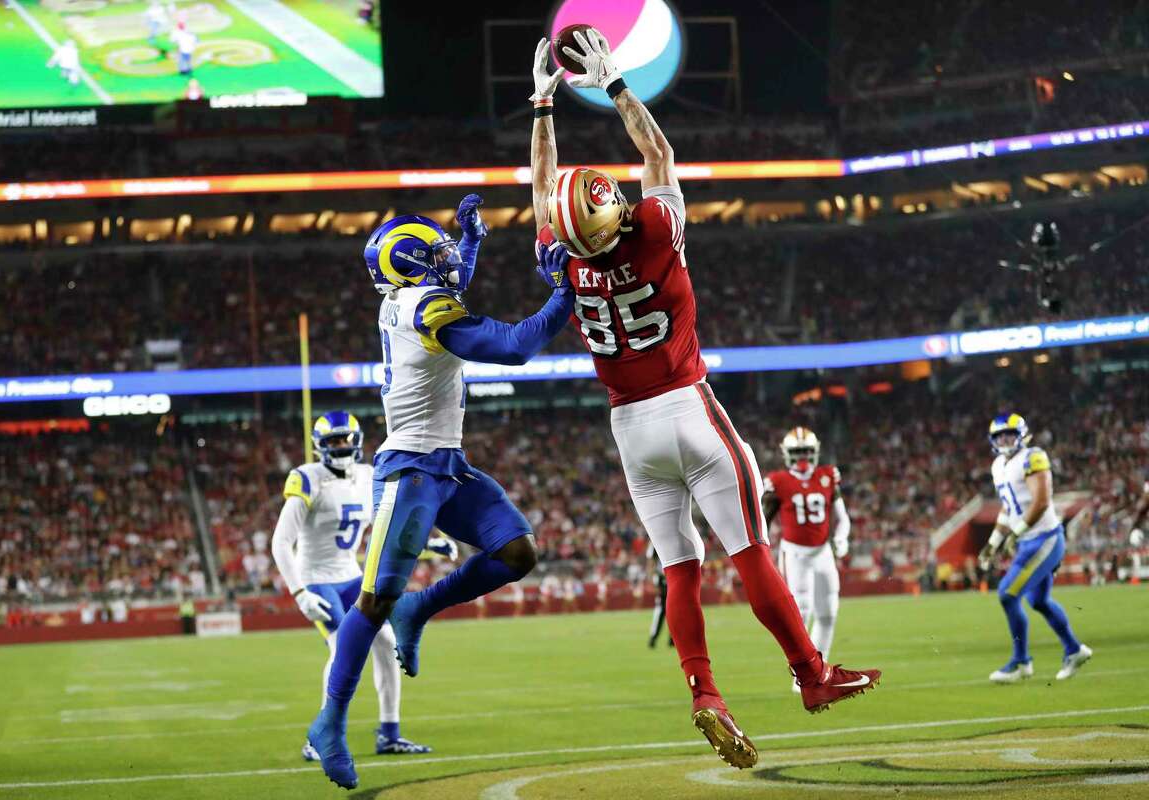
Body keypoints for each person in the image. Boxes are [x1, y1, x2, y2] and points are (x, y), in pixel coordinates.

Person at [528, 29, 879, 770]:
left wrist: (542, 107)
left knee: (680, 569)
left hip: (629, 428)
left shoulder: (565, 262)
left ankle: (705, 694)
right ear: (614, 209)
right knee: (751, 550)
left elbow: (543, 193)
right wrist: (617, 86)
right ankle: (812, 675)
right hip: (687, 405)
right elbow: (658, 154)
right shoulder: (653, 231)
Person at [304, 194, 576, 790]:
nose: (448, 257)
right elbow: (513, 347)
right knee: (372, 601)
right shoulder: (424, 304)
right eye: (435, 252)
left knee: (517, 553)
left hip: (447, 464)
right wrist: (566, 292)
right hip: (411, 471)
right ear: (408, 263)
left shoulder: (404, 301)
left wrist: (473, 243)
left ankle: (420, 607)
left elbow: (448, 297)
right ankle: (330, 722)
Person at [271, 412, 441, 760]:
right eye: (334, 441)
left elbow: (389, 523)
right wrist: (300, 592)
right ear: (321, 446)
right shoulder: (307, 478)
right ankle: (319, 738)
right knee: (341, 650)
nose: (342, 446)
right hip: (317, 580)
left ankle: (389, 734)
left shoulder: (368, 476)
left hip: (352, 577)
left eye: (346, 439)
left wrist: (429, 541)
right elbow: (280, 542)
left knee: (387, 645)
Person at [978, 413, 1091, 683]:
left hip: (1046, 538)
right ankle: (1074, 649)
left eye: (1009, 434)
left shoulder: (1032, 457)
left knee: (1007, 593)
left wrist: (1014, 535)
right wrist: (993, 542)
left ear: (1022, 435)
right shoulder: (998, 466)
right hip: (1030, 540)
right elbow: (1009, 509)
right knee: (1037, 600)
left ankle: (1021, 662)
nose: (1004, 440)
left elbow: (1040, 502)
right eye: (999, 436)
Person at [761, 428, 850, 692]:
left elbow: (842, 516)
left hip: (823, 552)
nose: (802, 458)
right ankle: (803, 673)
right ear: (787, 454)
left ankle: (818, 672)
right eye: (798, 452)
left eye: (806, 452)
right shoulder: (778, 481)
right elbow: (763, 521)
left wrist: (842, 537)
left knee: (828, 615)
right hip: (795, 552)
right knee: (803, 609)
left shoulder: (828, 476)